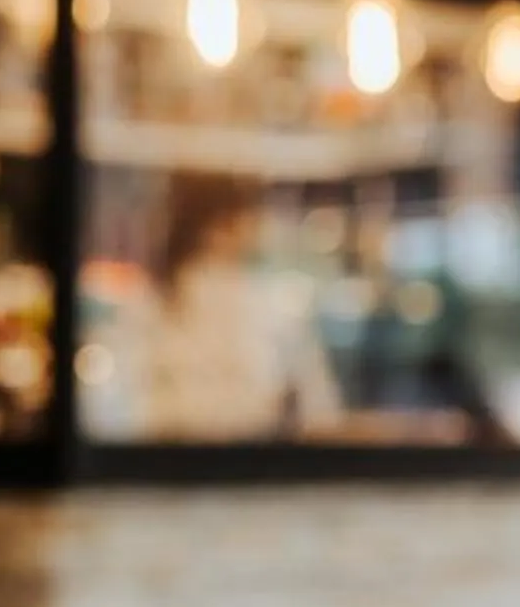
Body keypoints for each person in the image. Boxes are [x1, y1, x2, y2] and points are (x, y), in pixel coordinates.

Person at [92, 175, 343, 441]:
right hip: (235, 469)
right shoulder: (272, 307)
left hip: (166, 466)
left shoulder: (145, 303)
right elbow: (320, 416)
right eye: (251, 213)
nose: (259, 225)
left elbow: (109, 413)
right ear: (219, 226)